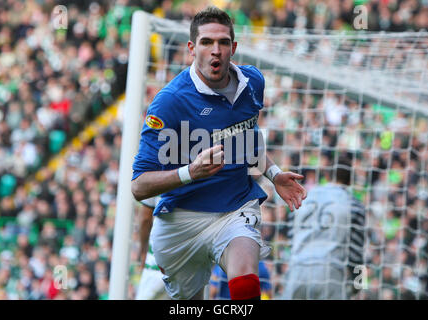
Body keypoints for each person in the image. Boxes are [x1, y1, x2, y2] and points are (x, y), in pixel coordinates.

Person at [131, 6, 307, 300]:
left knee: (246, 282)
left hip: (233, 208)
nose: (216, 51)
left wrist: (274, 174)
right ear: (191, 48)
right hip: (180, 220)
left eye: (223, 42)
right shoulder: (169, 103)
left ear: (233, 47)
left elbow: (245, 139)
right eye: (207, 42)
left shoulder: (253, 84)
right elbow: (139, 187)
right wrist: (190, 172)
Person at [282, 155, 366, 300]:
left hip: (297, 270)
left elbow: (291, 237)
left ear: (327, 175)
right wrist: (358, 286)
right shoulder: (353, 204)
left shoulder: (303, 197)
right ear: (351, 180)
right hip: (330, 273)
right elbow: (356, 253)